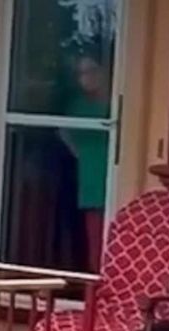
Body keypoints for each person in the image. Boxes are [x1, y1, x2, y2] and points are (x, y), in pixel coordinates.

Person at [63, 53, 111, 272]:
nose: (86, 77)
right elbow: (63, 131)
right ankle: (96, 286)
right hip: (90, 176)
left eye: (91, 71)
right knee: (95, 237)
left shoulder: (115, 100)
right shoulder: (78, 105)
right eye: (81, 73)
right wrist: (79, 153)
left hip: (114, 174)